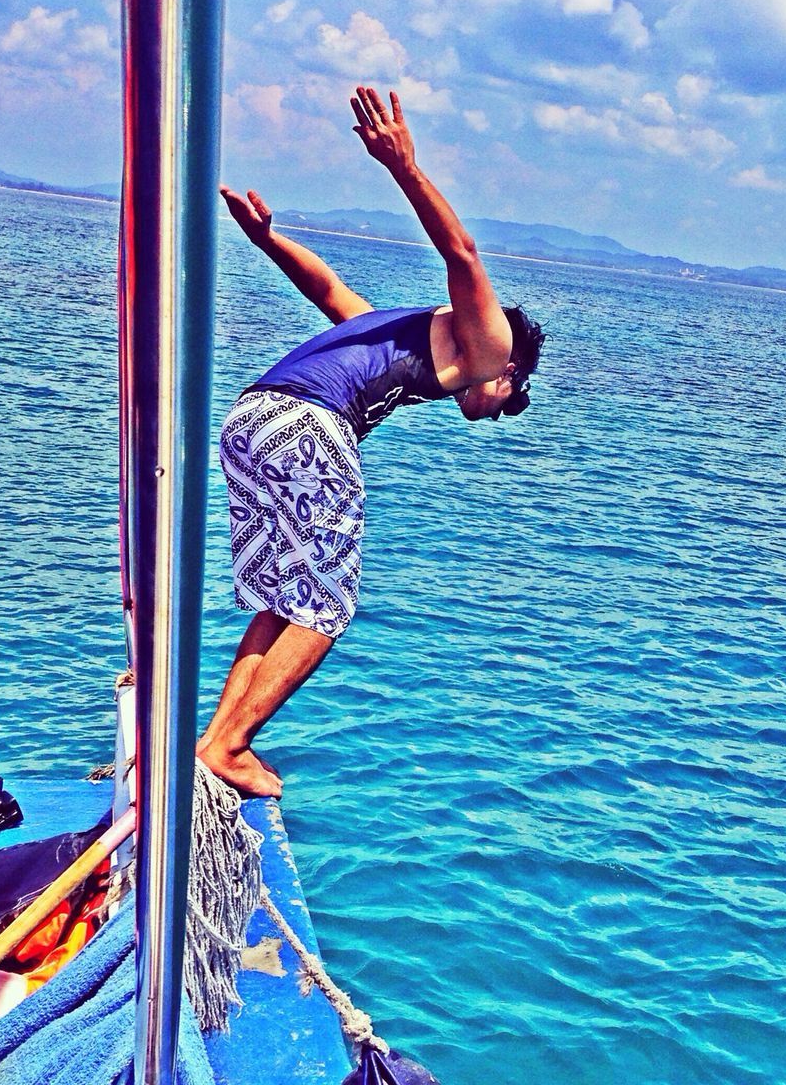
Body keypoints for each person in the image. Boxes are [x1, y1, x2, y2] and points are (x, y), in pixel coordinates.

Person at [197, 85, 545, 797]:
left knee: (289, 599)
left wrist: (267, 241)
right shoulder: (488, 343)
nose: (491, 410)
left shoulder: (397, 332)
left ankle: (216, 744)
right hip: (307, 428)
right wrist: (403, 167)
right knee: (328, 607)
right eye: (509, 399)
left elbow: (326, 291)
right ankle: (231, 744)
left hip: (251, 423)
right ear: (508, 371)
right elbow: (461, 250)